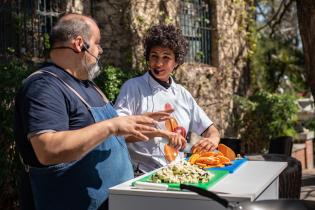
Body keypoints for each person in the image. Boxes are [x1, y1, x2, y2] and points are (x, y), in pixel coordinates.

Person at [14, 13, 177, 210]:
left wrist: (136, 124)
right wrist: (111, 125)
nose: (100, 51)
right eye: (97, 43)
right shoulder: (44, 86)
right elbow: (48, 150)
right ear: (79, 44)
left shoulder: (89, 86)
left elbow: (103, 138)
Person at [114, 24, 221, 173]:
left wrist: (213, 140)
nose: (158, 63)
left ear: (176, 62)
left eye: (166, 57)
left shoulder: (183, 94)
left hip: (178, 173)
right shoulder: (132, 88)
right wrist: (161, 133)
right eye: (154, 56)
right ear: (147, 57)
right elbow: (118, 133)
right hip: (140, 175)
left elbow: (211, 130)